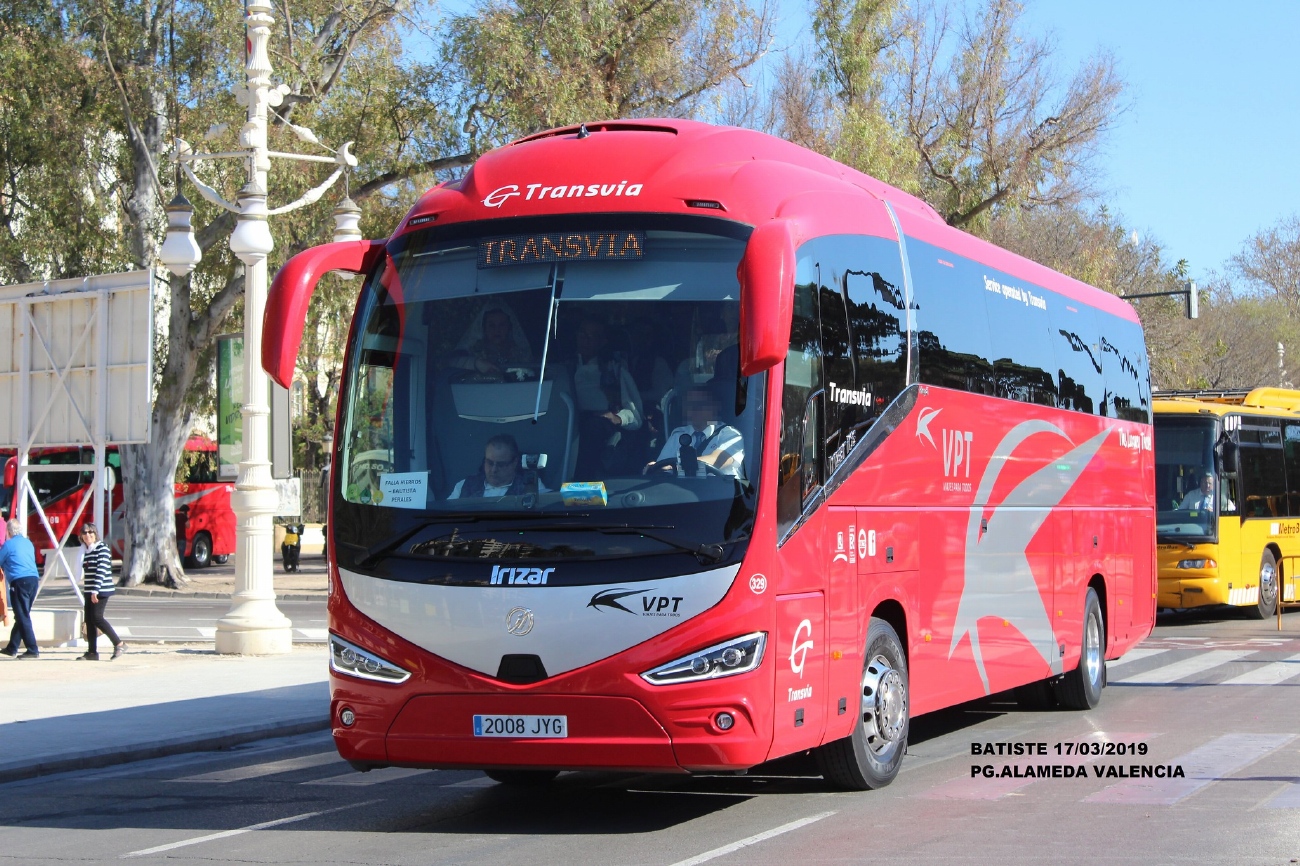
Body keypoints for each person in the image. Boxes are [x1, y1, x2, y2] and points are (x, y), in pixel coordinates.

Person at [572, 317, 643, 476]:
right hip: (566, 424)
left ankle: (585, 486)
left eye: (592, 336)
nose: (585, 340)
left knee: (593, 427)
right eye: (582, 334)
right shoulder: (563, 368)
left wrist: (617, 418)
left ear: (602, 341)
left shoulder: (615, 370)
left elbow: (636, 416)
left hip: (598, 426)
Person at [647, 383, 745, 477]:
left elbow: (717, 460)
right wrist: (654, 468)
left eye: (700, 404)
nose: (694, 409)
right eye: (689, 405)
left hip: (720, 491)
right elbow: (662, 466)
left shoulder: (730, 435)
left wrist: (675, 466)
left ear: (714, 407)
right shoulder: (678, 435)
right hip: (682, 491)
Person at [448, 435, 550, 499]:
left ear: (514, 463)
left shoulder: (531, 485)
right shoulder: (463, 486)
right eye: (489, 463)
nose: (494, 469)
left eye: (501, 464)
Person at [448, 303, 534, 378]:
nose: (497, 330)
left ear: (509, 327)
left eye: (502, 325)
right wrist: (477, 363)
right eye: (491, 325)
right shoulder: (474, 351)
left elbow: (532, 372)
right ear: (484, 328)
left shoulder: (520, 352)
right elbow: (451, 363)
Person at [78, 522, 124, 661]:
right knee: (89, 620)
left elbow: (102, 570)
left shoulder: (102, 548)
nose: (88, 535)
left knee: (97, 618)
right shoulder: (86, 550)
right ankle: (92, 652)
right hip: (89, 589)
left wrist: (95, 590)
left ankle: (119, 643)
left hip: (100, 590)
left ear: (95, 534)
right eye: (85, 533)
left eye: (90, 532)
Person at [0, 518, 40, 658]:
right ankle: (12, 647)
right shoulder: (28, 543)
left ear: (9, 532)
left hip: (19, 582)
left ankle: (32, 649)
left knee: (23, 616)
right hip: (34, 580)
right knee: (22, 614)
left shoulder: (8, 545)